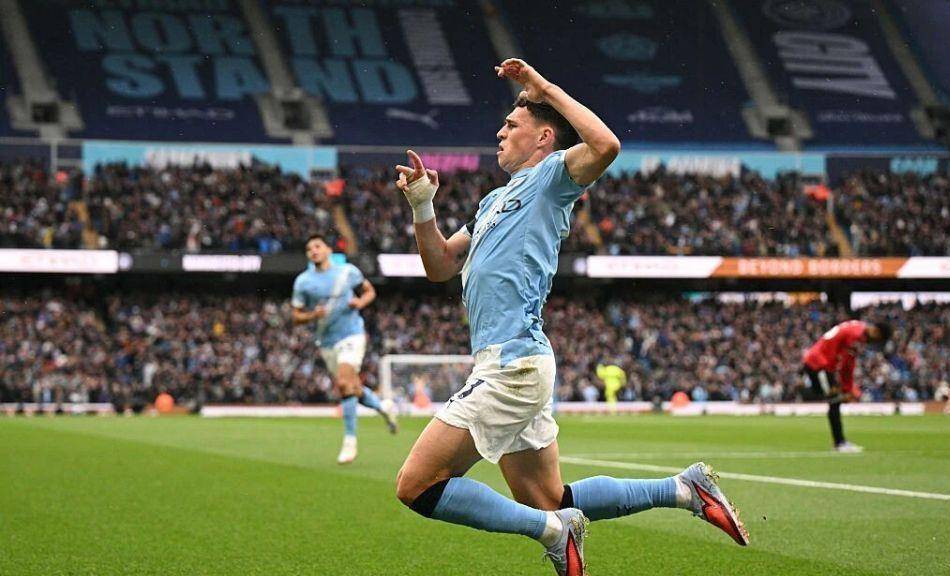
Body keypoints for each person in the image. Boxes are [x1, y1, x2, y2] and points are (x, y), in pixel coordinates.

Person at [393, 59, 748, 576]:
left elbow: (606, 146)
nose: (499, 132)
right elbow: (440, 265)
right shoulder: (492, 201)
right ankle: (683, 489)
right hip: (514, 362)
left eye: (511, 125)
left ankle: (555, 532)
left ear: (543, 137)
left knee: (417, 485)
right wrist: (423, 206)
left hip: (511, 366)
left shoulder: (552, 176)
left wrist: (543, 88)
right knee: (549, 498)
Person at [291, 233, 398, 464]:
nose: (313, 251)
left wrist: (360, 302)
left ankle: (350, 441)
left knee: (342, 383)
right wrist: (313, 315)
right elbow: (296, 316)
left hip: (352, 334)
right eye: (309, 249)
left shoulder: (348, 272)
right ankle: (383, 407)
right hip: (326, 341)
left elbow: (369, 291)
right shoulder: (303, 282)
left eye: (317, 246)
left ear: (328, 250)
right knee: (351, 387)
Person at [802, 319, 892, 452]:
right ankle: (839, 443)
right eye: (877, 340)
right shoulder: (856, 336)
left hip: (818, 360)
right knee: (834, 400)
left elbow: (845, 361)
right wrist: (844, 388)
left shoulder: (858, 327)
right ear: (876, 331)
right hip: (820, 364)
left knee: (831, 398)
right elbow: (846, 364)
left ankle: (840, 442)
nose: (873, 343)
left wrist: (847, 389)